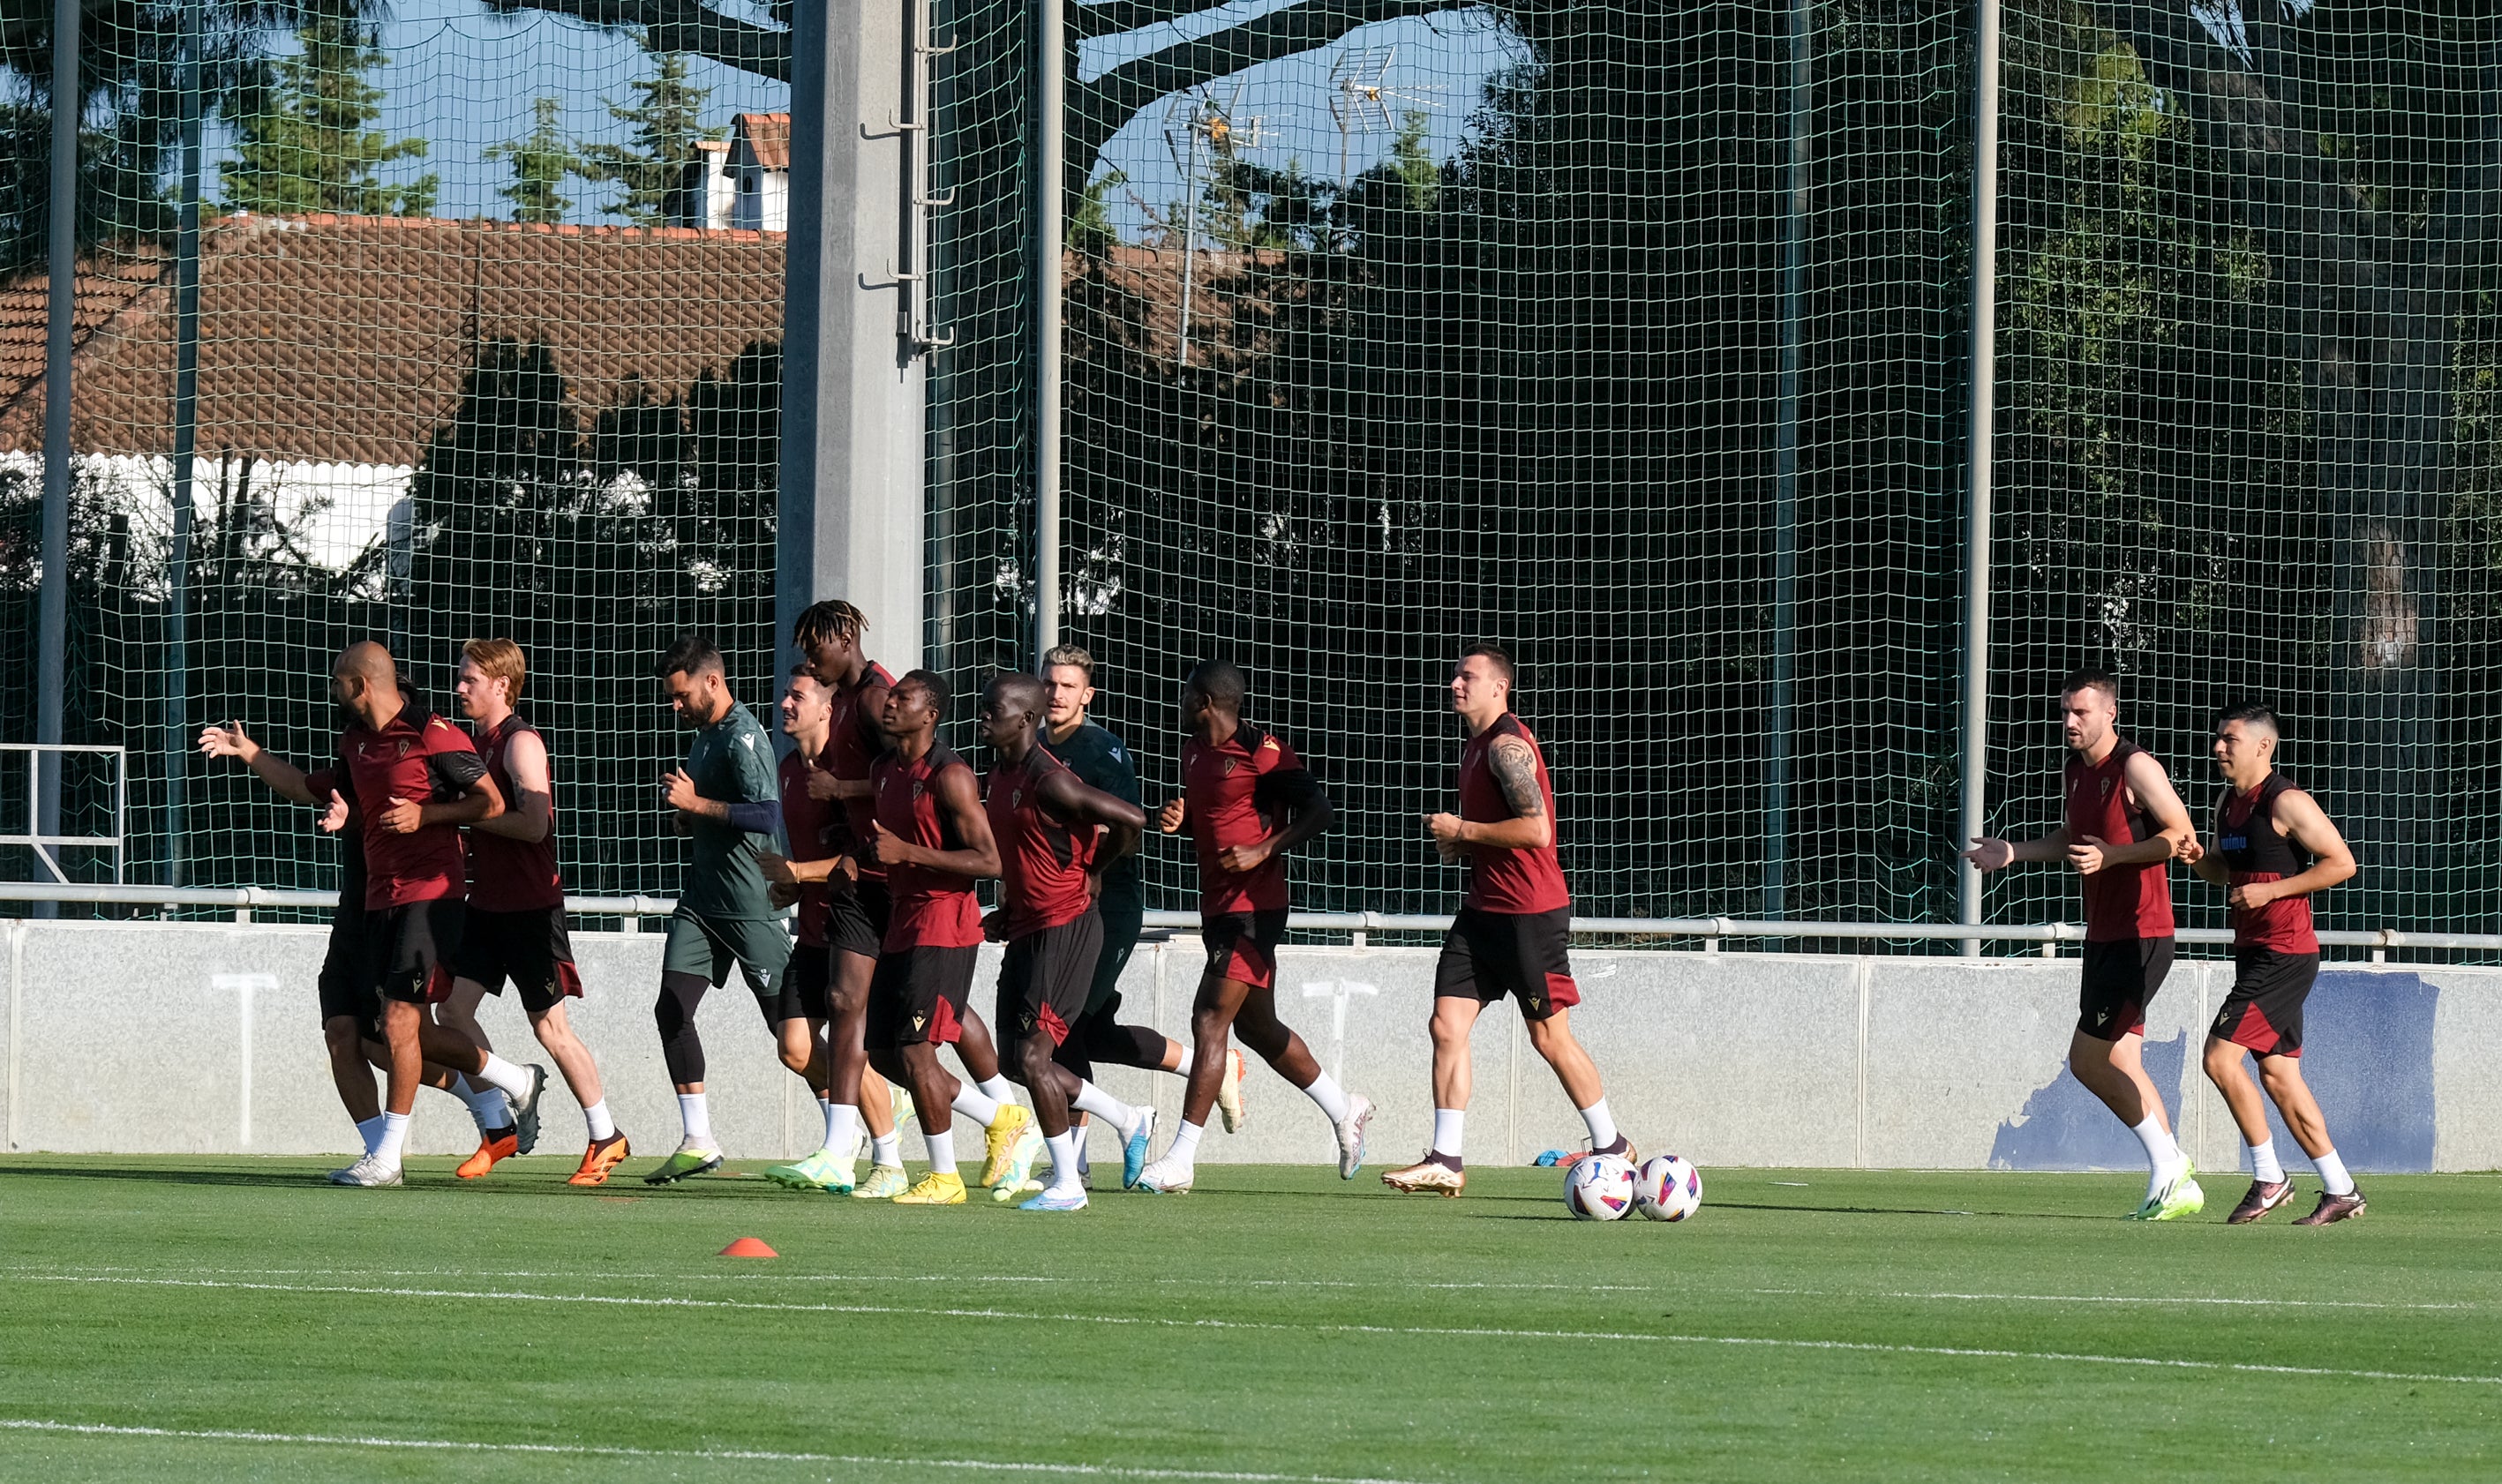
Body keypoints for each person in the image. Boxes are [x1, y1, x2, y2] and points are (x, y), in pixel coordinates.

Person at [790, 601, 1035, 1197]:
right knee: (893, 1045)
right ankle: (999, 1115)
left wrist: (875, 838)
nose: (806, 659)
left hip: (922, 907)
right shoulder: (869, 737)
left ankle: (875, 1154)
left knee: (879, 1018)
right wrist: (845, 839)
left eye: (814, 646)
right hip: (892, 897)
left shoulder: (882, 707)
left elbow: (978, 848)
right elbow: (882, 787)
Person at [1382, 647, 1633, 1196]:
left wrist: (1464, 831)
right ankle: (1446, 1157)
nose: (1455, 683)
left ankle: (1612, 1145)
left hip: (1529, 914)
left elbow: (1536, 832)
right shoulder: (1473, 747)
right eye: (1455, 675)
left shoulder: (1505, 746)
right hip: (1482, 912)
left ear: (1500, 687)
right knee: (1445, 1026)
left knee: (1549, 1038)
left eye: (1468, 677)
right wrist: (1464, 847)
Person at [1959, 669, 2202, 1219]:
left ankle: (2170, 1165)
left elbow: (2179, 836)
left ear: (2109, 713)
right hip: (2105, 934)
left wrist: (2112, 856)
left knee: (2087, 1062)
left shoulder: (2136, 767)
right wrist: (2014, 854)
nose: (2070, 721)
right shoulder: (2074, 771)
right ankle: (2174, 1177)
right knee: (2122, 1059)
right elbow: (2073, 839)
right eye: (2065, 711)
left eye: (2082, 712)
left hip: (2142, 933)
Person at [1133, 661, 1372, 1195]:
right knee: (1256, 1027)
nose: (1178, 704)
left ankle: (1180, 1160)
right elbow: (1213, 815)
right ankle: (1345, 1108)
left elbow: (1320, 811)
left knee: (1209, 1017)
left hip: (1255, 906)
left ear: (1207, 703)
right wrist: (1181, 818)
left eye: (1185, 695)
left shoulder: (1263, 753)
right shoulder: (1194, 751)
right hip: (1217, 905)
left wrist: (1265, 848)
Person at [311, 642, 545, 1187]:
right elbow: (313, 787)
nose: (459, 687)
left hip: (432, 894)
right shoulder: (357, 742)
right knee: (375, 1035)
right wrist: (252, 755)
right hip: (375, 901)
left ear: (362, 683)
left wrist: (426, 815)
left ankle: (389, 1158)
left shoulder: (432, 731)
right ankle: (512, 1081)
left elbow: (491, 804)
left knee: (400, 1024)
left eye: (339, 679)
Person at [1038, 646, 1242, 1185]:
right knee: (1093, 1036)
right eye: (1049, 684)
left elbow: (1129, 832)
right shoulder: (1029, 748)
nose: (1056, 694)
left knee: (1063, 1030)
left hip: (1108, 907)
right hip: (1055, 906)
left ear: (1088, 695)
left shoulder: (1103, 752)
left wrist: (1087, 865)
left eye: (1067, 686)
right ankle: (1214, 1069)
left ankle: (1074, 1161)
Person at [437, 638, 630, 1186]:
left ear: (502, 685)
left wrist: (462, 818)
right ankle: (498, 1126)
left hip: (529, 909)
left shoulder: (521, 743)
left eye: (470, 678)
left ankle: (606, 1135)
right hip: (486, 908)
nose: (460, 688)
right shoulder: (472, 744)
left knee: (551, 1027)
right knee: (451, 1012)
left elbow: (534, 825)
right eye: (461, 677)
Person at [978, 673, 1161, 1209]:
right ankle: (1129, 1119)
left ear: (1026, 720)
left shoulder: (1049, 779)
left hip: (1068, 927)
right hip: (1029, 926)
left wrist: (1095, 868)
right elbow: (1026, 851)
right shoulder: (999, 774)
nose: (984, 715)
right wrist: (1010, 907)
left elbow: (1133, 819)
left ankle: (1068, 1183)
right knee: (1014, 1060)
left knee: (1035, 1059)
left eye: (995, 708)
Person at [641, 635, 817, 1186]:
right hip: (701, 903)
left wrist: (697, 805)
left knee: (789, 1034)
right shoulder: (704, 736)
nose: (676, 706)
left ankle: (856, 1118)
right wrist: (691, 818)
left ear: (712, 682)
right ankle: (699, 1140)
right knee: (671, 1008)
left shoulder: (743, 736)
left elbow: (767, 815)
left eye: (682, 695)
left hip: (749, 905)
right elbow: (722, 812)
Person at [2182, 703, 2364, 1225]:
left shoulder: (2285, 801)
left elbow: (2342, 863)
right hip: (2254, 951)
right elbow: (2227, 874)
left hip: (2286, 953)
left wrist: (2273, 892)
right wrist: (2197, 859)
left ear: (2263, 746)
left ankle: (2269, 1178)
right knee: (2279, 1074)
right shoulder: (2226, 804)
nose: (2218, 747)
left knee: (2219, 1058)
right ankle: (2341, 1188)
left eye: (2230, 740)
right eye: (2218, 738)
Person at [861, 670, 1030, 1204]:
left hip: (944, 926)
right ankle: (1000, 1116)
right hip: (901, 923)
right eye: (890, 696)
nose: (890, 704)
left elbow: (991, 861)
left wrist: (909, 854)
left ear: (930, 713)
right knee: (883, 1052)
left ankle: (944, 1177)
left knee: (916, 1052)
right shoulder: (884, 769)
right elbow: (889, 847)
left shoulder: (951, 774)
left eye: (903, 698)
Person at [756, 662, 903, 1194]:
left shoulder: (850, 773)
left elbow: (864, 855)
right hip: (815, 924)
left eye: (797, 696)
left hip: (857, 925)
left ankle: (884, 1157)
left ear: (828, 708)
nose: (785, 705)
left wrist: (800, 873)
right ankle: (880, 1102)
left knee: (873, 1040)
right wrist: (794, 885)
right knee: (795, 1046)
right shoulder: (789, 768)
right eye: (785, 696)